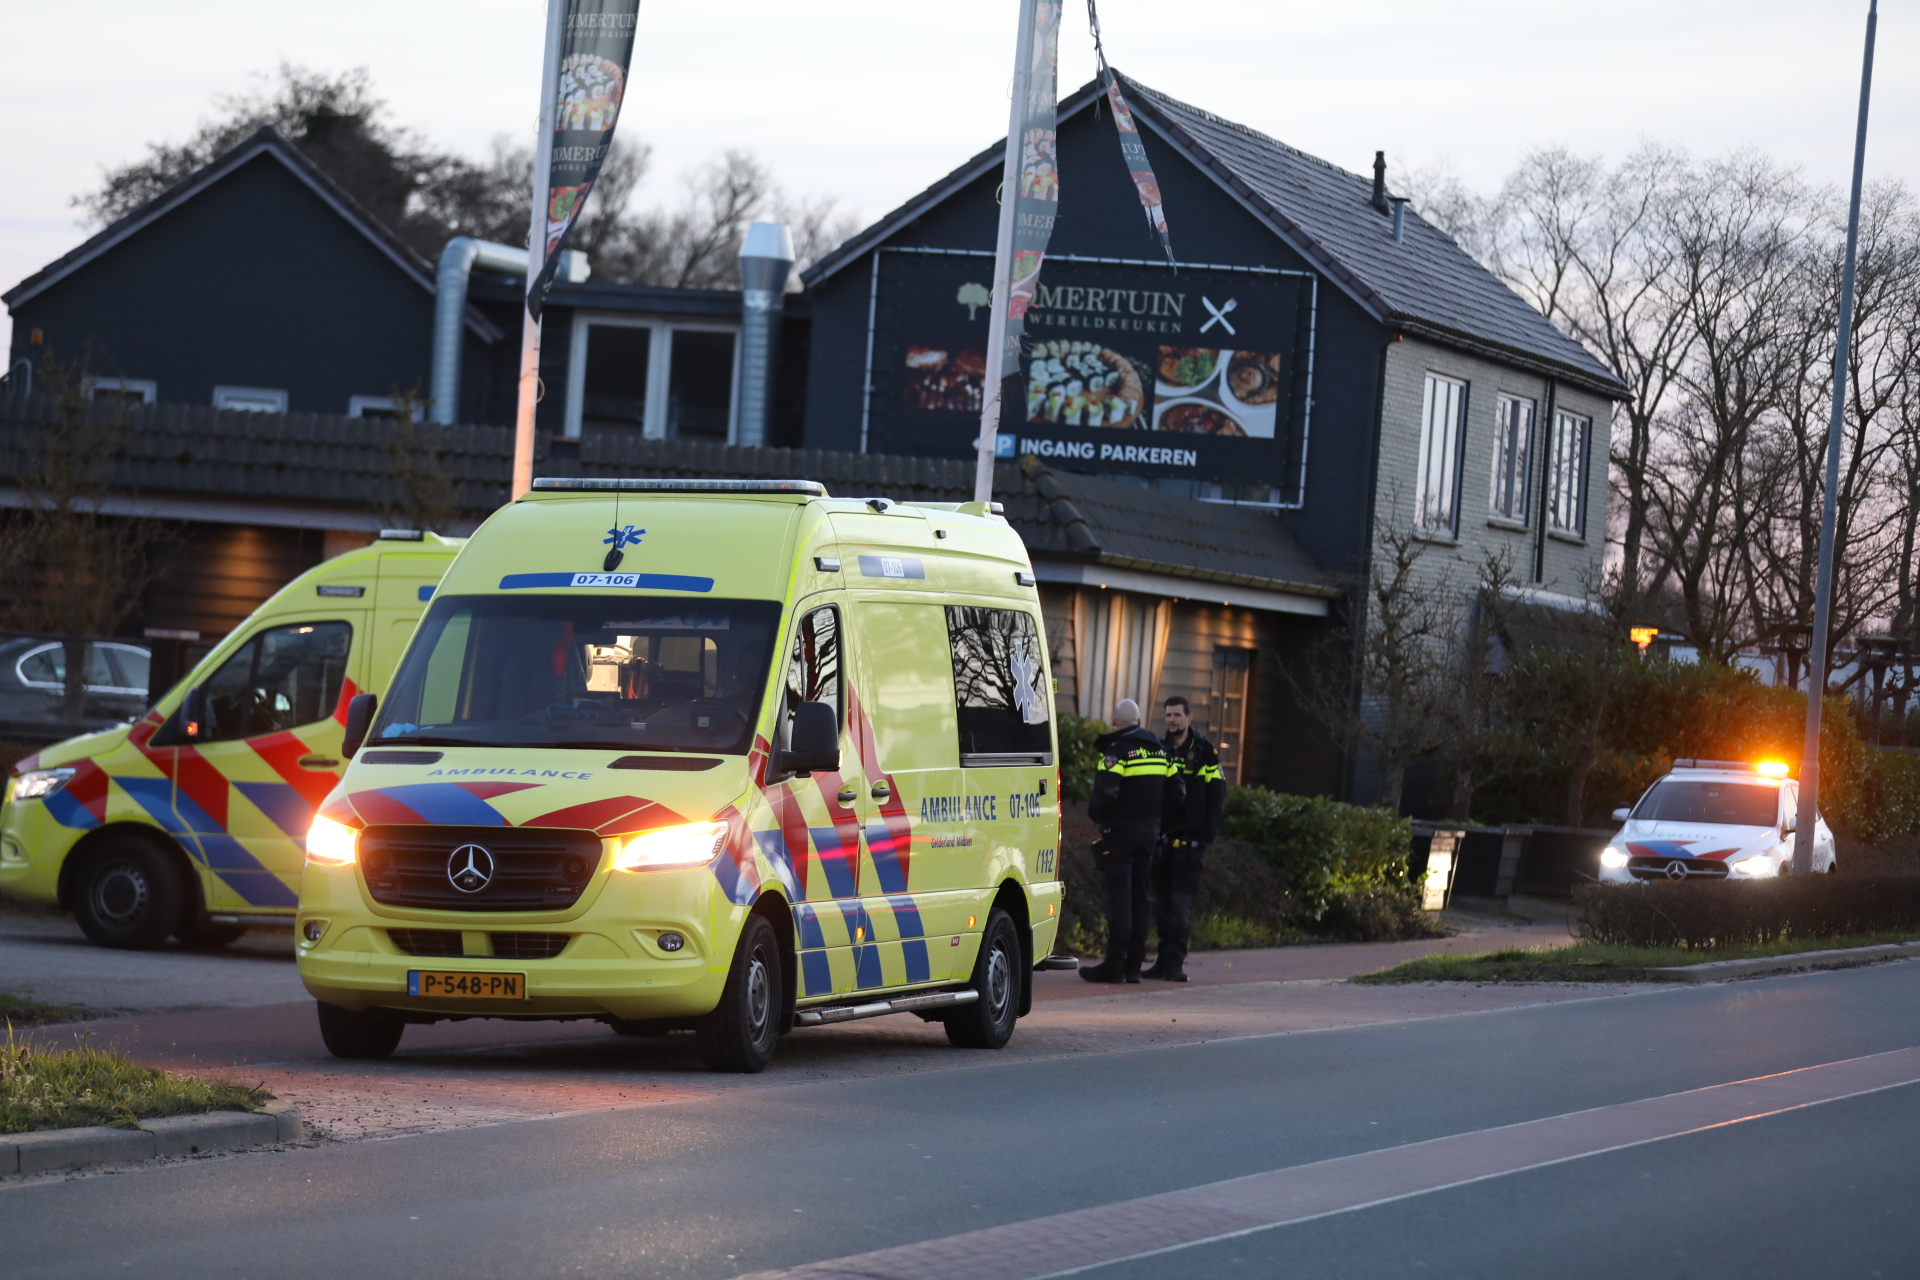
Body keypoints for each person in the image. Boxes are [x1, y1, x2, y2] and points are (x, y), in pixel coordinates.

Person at [1082, 698, 1173, 984]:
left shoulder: (1117, 750)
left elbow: (1107, 792)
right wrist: (1158, 821)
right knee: (1140, 898)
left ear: (1114, 722)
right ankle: (1134, 966)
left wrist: (1096, 814)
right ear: (1140, 722)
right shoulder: (1160, 750)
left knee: (1119, 898)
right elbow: (1178, 793)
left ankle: (1114, 964)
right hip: (1149, 835)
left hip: (1120, 834)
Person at [1144, 695, 1227, 982]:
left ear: (1189, 718)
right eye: (1168, 715)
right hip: (1163, 838)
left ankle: (1175, 964)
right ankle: (1162, 963)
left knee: (1180, 907)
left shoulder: (1204, 751)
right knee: (1163, 905)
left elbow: (1217, 792)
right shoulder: (1158, 749)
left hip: (1191, 842)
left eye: (1177, 715)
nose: (1172, 720)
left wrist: (1206, 833)